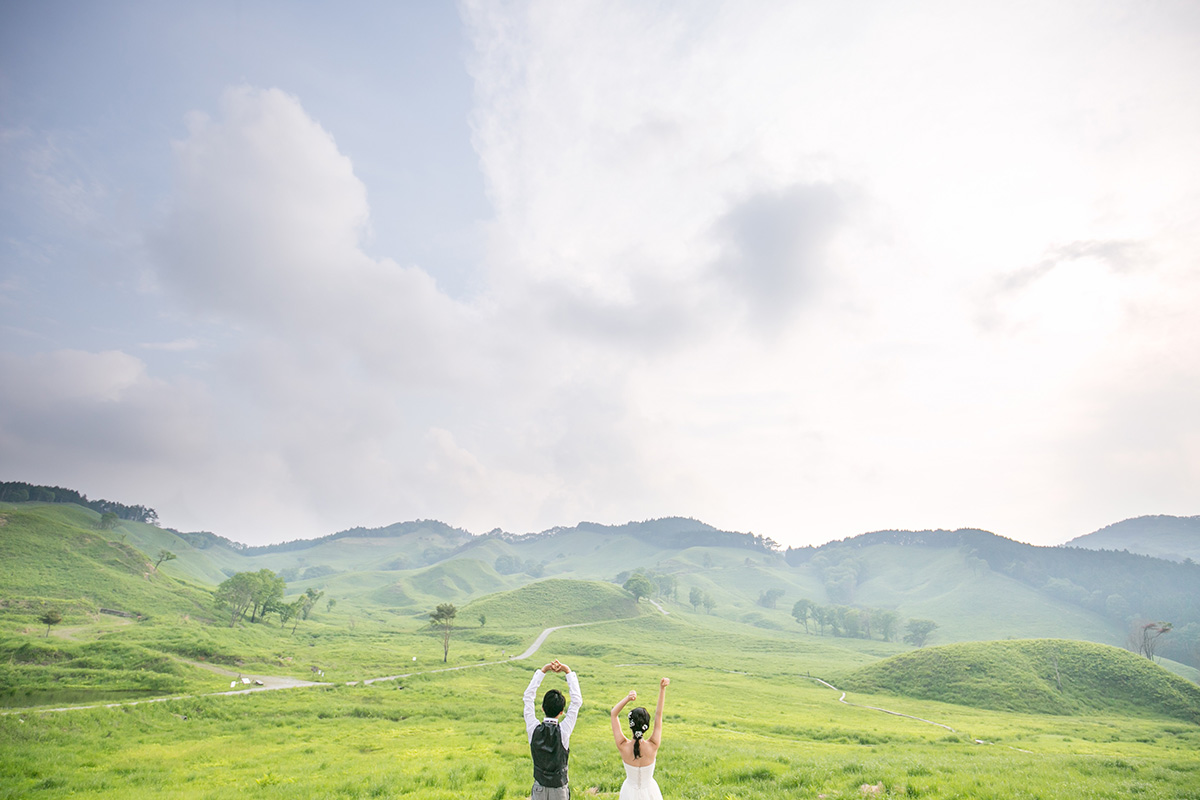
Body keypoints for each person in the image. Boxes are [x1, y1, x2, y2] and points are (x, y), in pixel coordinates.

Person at [523, 659, 582, 799]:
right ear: (562, 711)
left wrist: (543, 671)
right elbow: (577, 701)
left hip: (539, 789)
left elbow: (528, 698)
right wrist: (567, 671)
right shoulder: (564, 731)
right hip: (559, 790)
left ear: (542, 708)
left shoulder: (533, 729)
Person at [610, 677, 670, 800]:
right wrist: (662, 689)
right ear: (646, 726)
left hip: (629, 793)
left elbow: (613, 713)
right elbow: (659, 714)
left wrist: (627, 698)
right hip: (650, 792)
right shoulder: (653, 745)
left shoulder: (622, 745)